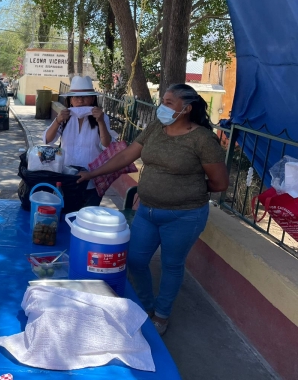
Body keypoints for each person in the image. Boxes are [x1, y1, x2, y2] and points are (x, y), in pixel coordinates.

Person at [78, 83, 229, 335]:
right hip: (147, 211)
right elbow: (126, 156)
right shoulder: (155, 128)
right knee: (135, 260)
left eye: (169, 103)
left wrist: (184, 188)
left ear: (187, 109)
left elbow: (219, 182)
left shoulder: (202, 139)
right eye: (163, 101)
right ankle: (146, 306)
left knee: (172, 264)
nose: (162, 107)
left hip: (183, 216)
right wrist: (92, 173)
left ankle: (162, 314)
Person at [43, 75, 114, 207]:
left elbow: (106, 146)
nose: (80, 100)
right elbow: (48, 140)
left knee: (86, 220)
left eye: (85, 96)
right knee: (65, 217)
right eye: (76, 97)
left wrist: (101, 122)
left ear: (92, 99)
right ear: (70, 100)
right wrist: (57, 121)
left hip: (92, 181)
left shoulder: (102, 118)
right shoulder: (64, 117)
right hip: (67, 179)